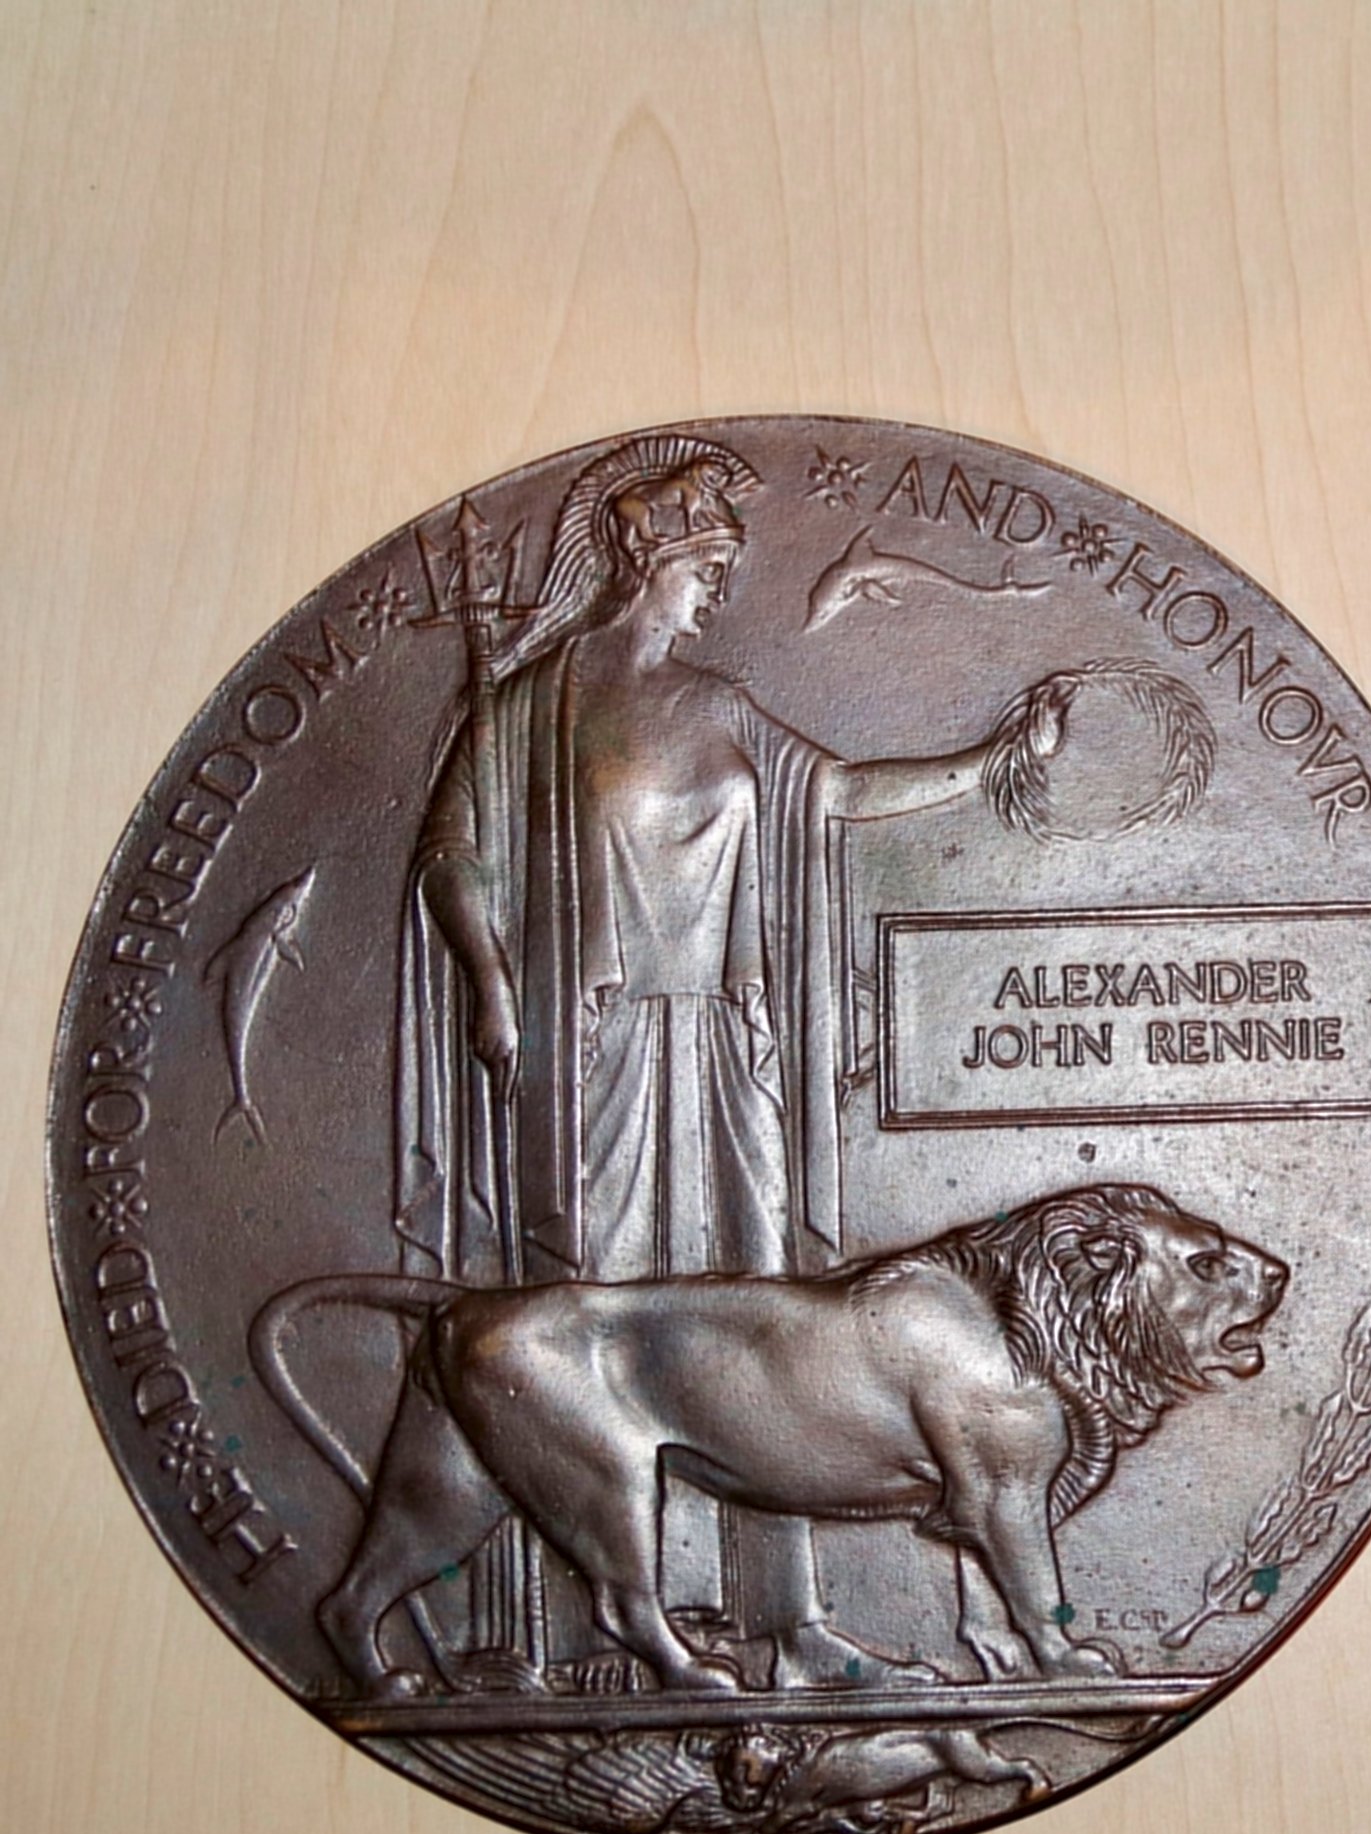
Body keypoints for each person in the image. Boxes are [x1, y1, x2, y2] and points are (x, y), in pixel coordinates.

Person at [393, 434, 1002, 1687]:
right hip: (597, 1054)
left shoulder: (722, 705)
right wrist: (497, 987)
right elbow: (454, 856)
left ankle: (787, 1619)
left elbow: (830, 795)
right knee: (601, 1321)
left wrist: (985, 766)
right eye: (709, 559)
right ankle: (616, 1618)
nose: (721, 582)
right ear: (644, 560)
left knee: (760, 1323)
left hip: (723, 1053)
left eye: (724, 560)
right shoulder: (527, 711)